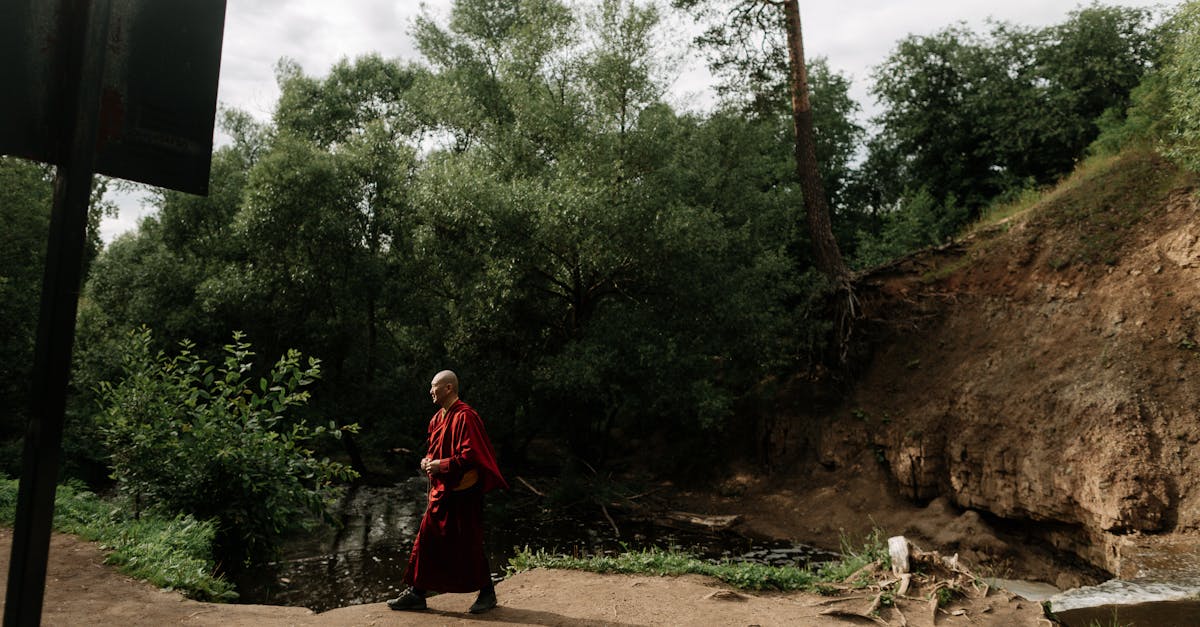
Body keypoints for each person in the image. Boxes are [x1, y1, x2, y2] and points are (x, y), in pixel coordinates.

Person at [388, 370, 509, 614]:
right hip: (442, 491)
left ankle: (487, 592)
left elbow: (470, 455)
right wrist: (427, 462)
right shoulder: (436, 419)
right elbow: (435, 451)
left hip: (464, 490)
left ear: (449, 388)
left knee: (468, 541)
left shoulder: (466, 417)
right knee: (427, 539)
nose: (431, 391)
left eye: (435, 387)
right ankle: (417, 593)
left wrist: (441, 465)